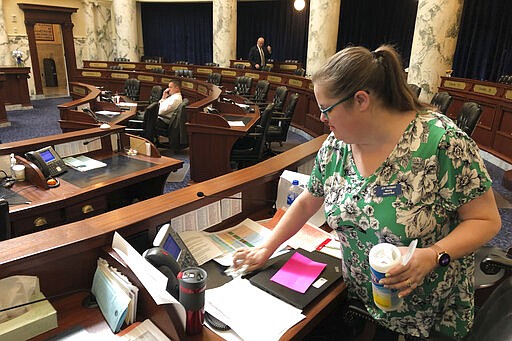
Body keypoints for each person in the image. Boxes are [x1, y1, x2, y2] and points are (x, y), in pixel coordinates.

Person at [232, 45, 501, 340]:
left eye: (326, 109)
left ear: (361, 100)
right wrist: (267, 247)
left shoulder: (442, 143)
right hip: (364, 299)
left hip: (427, 313)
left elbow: (486, 221)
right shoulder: (337, 145)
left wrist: (434, 255)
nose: (322, 119)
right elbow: (310, 200)